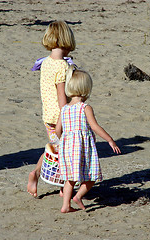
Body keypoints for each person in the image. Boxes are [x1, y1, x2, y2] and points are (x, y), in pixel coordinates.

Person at [55, 66, 121, 213]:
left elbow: (58, 130)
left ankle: (65, 206)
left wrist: (64, 140)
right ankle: (78, 197)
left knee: (70, 178)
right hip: (82, 148)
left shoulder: (64, 109)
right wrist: (109, 139)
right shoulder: (85, 108)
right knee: (90, 176)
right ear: (86, 89)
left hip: (67, 148)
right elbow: (95, 127)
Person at [27, 20, 76, 197]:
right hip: (59, 117)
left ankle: (38, 175)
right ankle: (60, 184)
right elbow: (62, 97)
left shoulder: (45, 62)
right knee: (65, 150)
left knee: (56, 147)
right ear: (66, 40)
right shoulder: (62, 66)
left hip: (48, 114)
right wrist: (69, 114)